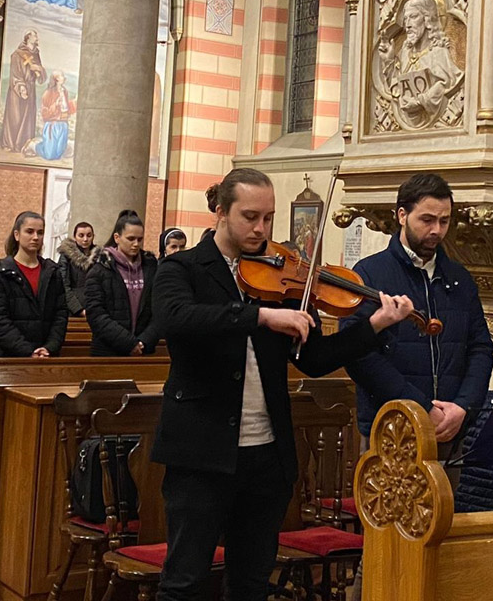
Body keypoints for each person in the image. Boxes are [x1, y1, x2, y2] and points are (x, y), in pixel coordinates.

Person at [151, 167, 416, 601]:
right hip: (201, 453)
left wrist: (374, 325)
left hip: (266, 456)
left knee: (252, 584)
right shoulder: (183, 268)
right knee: (185, 582)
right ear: (221, 211)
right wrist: (260, 316)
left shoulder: (281, 275)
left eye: (268, 218)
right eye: (250, 217)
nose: (261, 229)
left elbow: (314, 359)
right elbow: (175, 319)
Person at [344, 173, 493, 451]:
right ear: (402, 215)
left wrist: (462, 407)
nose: (436, 230)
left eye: (444, 221)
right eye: (427, 220)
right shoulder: (369, 273)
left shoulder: (459, 278)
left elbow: (481, 348)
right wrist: (422, 408)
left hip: (449, 427)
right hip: (390, 427)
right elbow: (357, 354)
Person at [0, 211, 68, 357]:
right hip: (10, 355)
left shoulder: (52, 272)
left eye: (40, 233)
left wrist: (49, 347)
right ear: (17, 235)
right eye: (29, 232)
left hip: (45, 355)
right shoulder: (0, 273)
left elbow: (60, 315)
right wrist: (27, 351)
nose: (35, 237)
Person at [85, 211, 158, 357]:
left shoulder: (151, 267)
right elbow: (96, 314)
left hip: (143, 350)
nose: (136, 244)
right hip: (108, 351)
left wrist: (144, 341)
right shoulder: (100, 269)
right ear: (117, 238)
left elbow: (159, 309)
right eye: (130, 239)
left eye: (140, 239)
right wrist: (129, 343)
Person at [0, 30, 46, 153]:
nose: (37, 37)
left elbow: (41, 75)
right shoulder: (17, 54)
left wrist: (38, 69)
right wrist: (21, 87)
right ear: (28, 37)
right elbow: (15, 73)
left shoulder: (36, 53)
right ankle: (10, 144)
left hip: (31, 88)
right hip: (17, 90)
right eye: (35, 35)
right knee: (16, 116)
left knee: (28, 117)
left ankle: (24, 144)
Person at [57, 222, 96, 316]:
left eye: (89, 235)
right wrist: (78, 309)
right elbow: (63, 286)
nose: (85, 239)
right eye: (81, 235)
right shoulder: (66, 256)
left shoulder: (99, 257)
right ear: (75, 237)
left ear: (93, 236)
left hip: (95, 310)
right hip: (72, 311)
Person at [35, 71, 72, 161]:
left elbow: (66, 107)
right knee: (49, 156)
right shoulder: (48, 93)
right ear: (56, 79)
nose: (64, 77)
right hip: (52, 124)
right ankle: (34, 146)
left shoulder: (65, 91)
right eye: (62, 76)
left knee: (59, 154)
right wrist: (55, 104)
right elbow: (44, 112)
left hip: (63, 123)